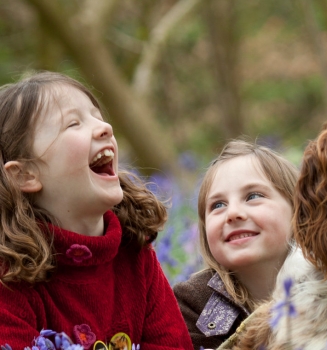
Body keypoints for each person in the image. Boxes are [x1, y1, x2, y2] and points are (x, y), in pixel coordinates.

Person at [0, 71, 193, 350]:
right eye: (73, 123)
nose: (105, 128)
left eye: (97, 116)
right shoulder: (9, 282)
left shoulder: (134, 254)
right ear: (25, 175)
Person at [173, 139, 299, 350]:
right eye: (218, 205)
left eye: (253, 196)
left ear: (298, 211)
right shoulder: (194, 304)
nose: (232, 213)